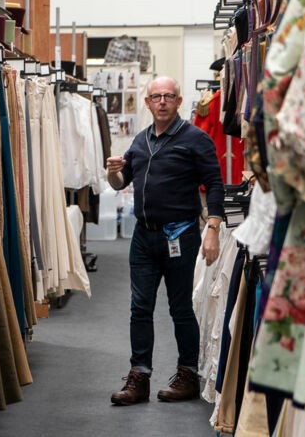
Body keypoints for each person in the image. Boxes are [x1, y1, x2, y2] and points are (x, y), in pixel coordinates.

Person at [105, 76, 224, 406]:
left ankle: (187, 374)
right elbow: (120, 182)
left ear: (179, 101)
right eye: (156, 97)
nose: (161, 102)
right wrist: (112, 172)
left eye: (168, 96)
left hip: (180, 235)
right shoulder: (140, 142)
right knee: (139, 308)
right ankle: (139, 377)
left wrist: (212, 228)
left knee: (181, 308)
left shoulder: (196, 139)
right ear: (146, 102)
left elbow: (214, 184)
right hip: (143, 236)